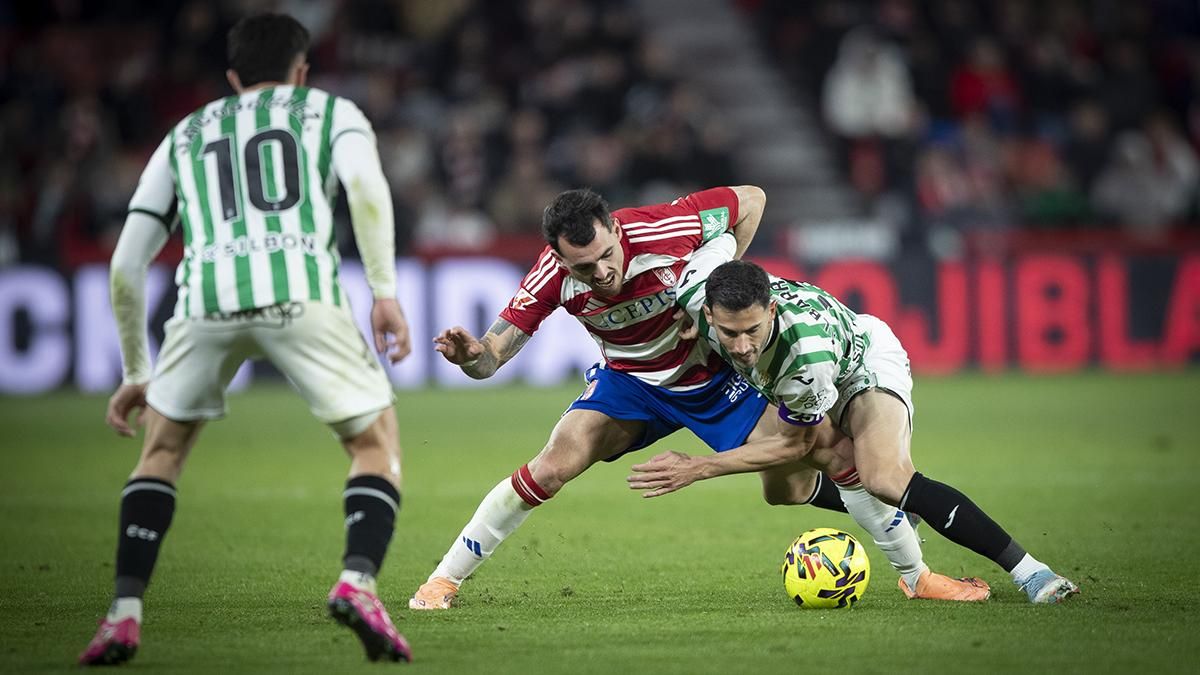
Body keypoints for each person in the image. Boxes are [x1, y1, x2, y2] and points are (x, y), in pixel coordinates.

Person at [410, 187, 982, 610]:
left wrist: (721, 284)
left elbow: (752, 199)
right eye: (584, 267)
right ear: (559, 257)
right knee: (553, 464)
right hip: (630, 383)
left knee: (831, 456)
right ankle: (443, 580)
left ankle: (916, 576)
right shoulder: (550, 279)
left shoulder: (665, 228)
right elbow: (491, 359)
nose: (603, 272)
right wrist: (471, 356)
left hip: (712, 378)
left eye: (606, 254)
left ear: (615, 227)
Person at [79, 13, 413, 665]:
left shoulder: (185, 133)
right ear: (302, 69)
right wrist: (383, 289)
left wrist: (135, 367)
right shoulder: (329, 111)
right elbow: (367, 189)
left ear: (233, 78)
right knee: (375, 443)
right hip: (303, 293)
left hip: (205, 300)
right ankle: (358, 581)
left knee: (162, 452)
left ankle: (122, 614)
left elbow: (125, 264)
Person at [629, 240, 1079, 604]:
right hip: (798, 381)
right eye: (730, 333)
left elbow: (796, 444)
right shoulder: (694, 291)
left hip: (860, 364)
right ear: (707, 313)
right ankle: (903, 519)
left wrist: (700, 467)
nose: (743, 346)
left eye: (753, 331)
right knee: (785, 491)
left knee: (882, 476)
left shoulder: (805, 357)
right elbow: (723, 227)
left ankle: (1029, 573)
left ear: (770, 312)